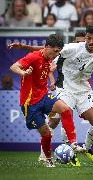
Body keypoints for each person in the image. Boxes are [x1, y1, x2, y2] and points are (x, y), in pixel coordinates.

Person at [9, 27, 93, 163]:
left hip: (83, 90)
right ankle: (46, 155)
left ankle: (85, 148)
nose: (90, 41)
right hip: (64, 87)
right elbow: (44, 50)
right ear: (84, 38)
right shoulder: (71, 48)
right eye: (88, 38)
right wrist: (24, 47)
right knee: (55, 120)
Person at [9, 34, 82, 167]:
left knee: (65, 109)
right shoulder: (34, 56)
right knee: (46, 133)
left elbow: (44, 70)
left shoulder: (49, 57)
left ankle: (73, 143)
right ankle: (48, 159)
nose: (56, 54)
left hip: (43, 95)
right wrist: (24, 73)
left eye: (58, 52)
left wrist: (51, 73)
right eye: (55, 51)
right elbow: (14, 66)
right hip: (30, 103)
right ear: (47, 47)